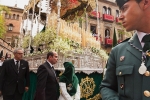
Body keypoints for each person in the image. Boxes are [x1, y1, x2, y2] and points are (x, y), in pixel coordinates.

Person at [100, 0, 150, 100]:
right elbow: (106, 87)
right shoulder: (118, 51)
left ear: (145, 3)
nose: (120, 16)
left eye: (124, 9)